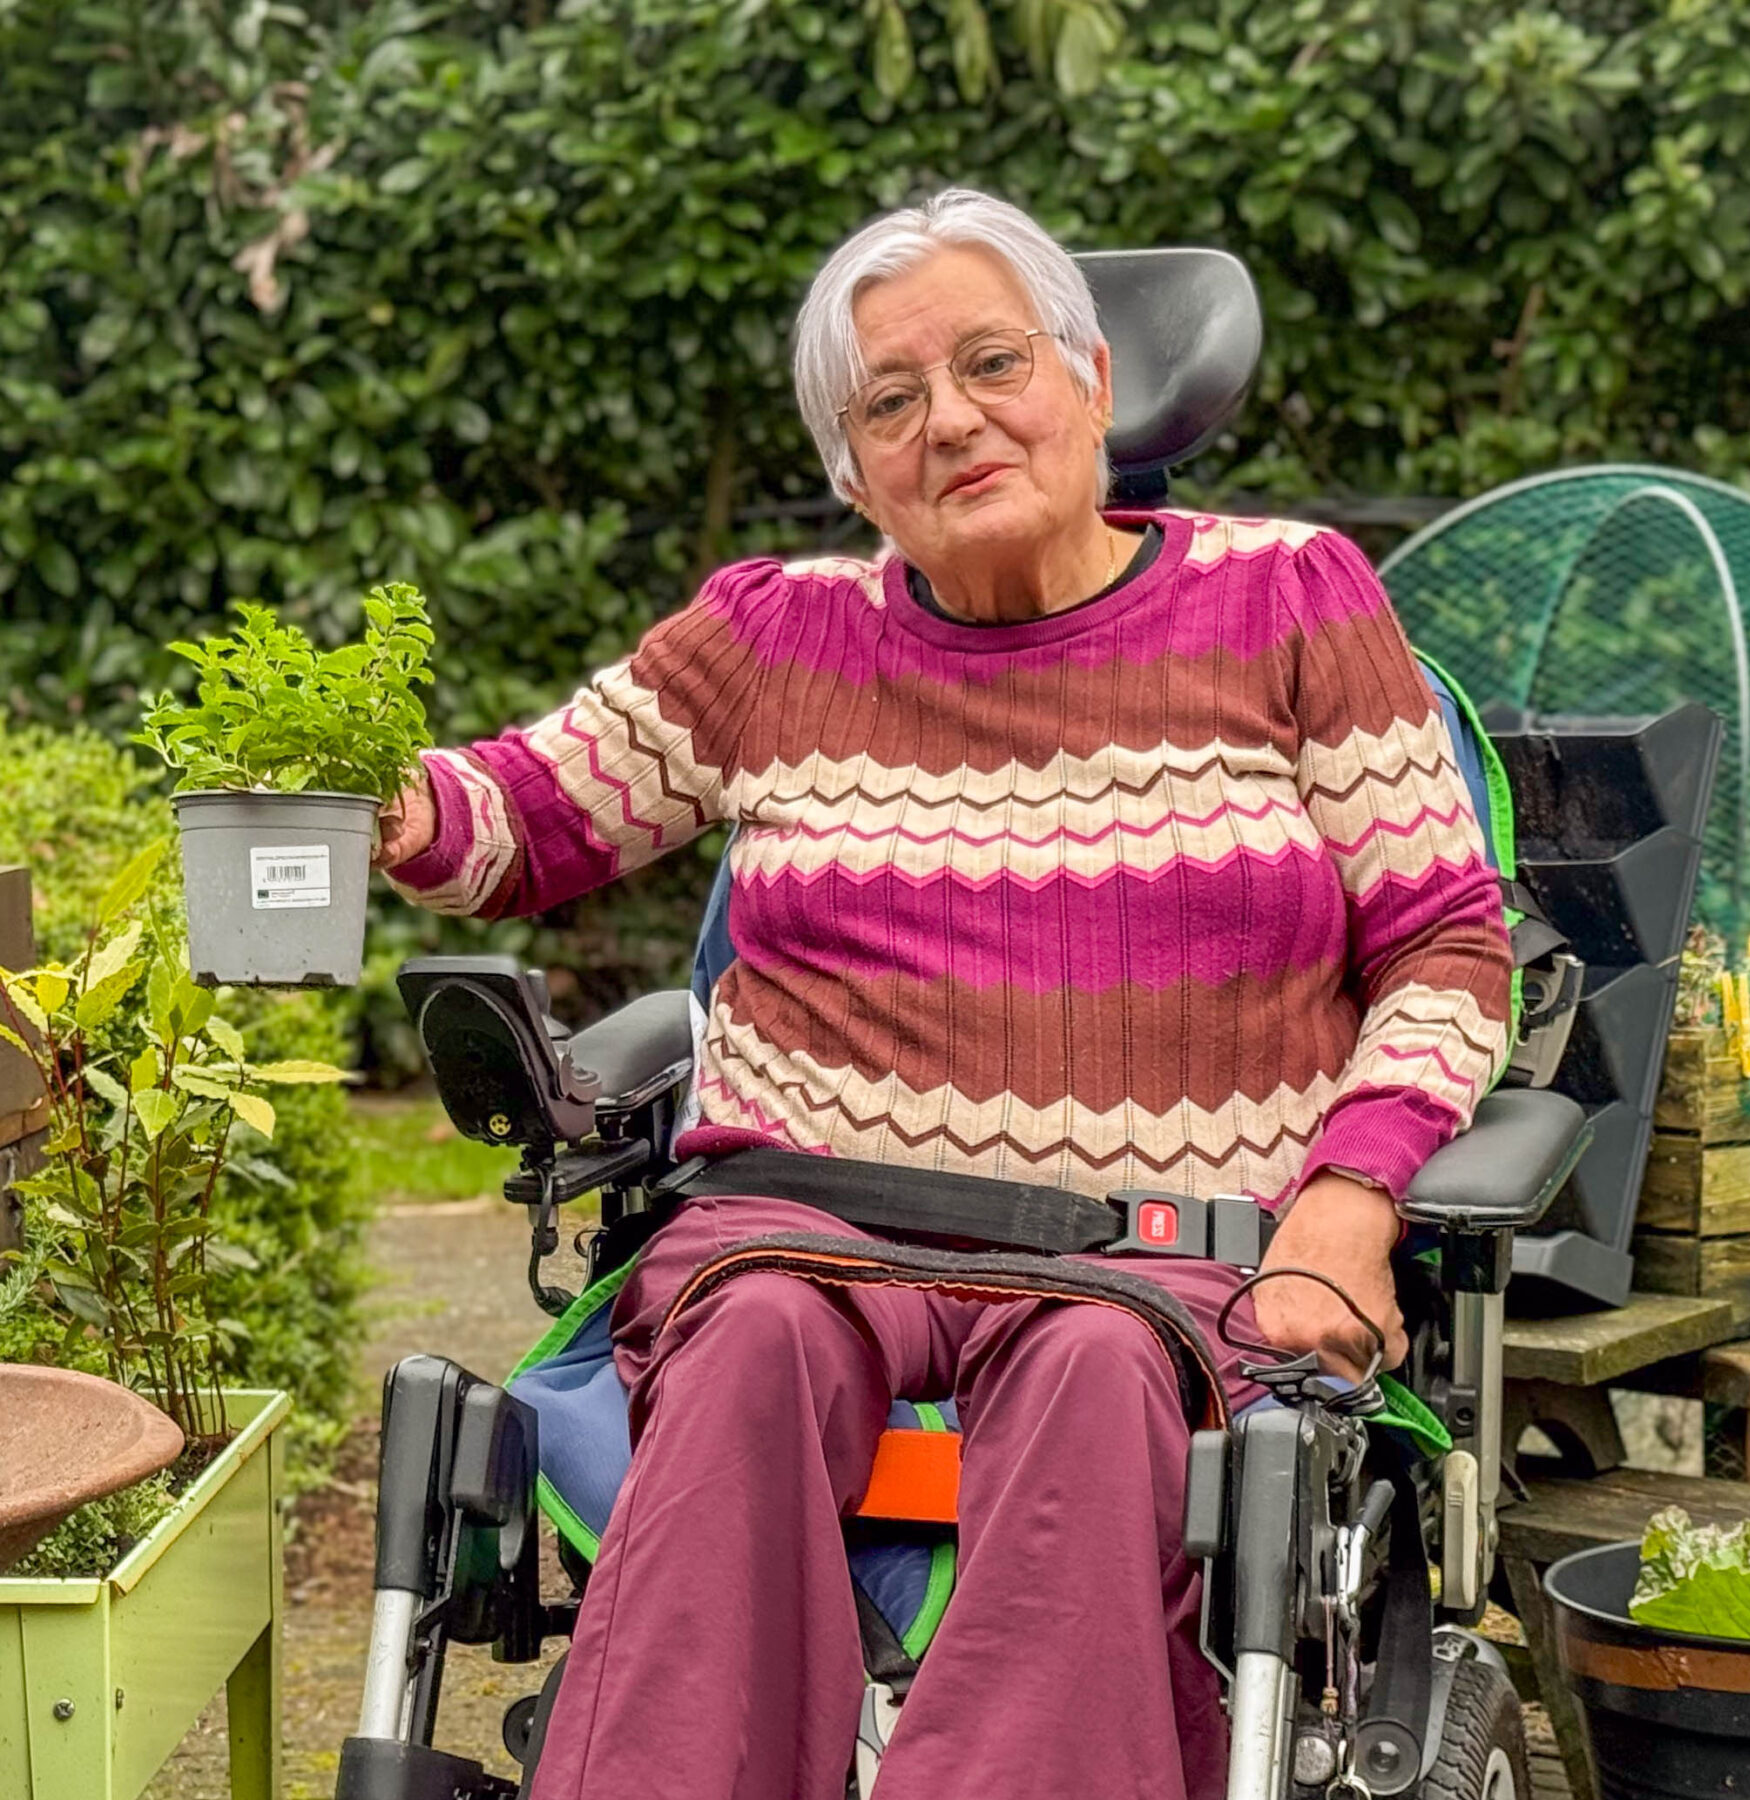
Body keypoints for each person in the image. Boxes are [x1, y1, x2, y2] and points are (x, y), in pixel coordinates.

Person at [376, 189, 1512, 1800]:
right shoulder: (775, 636)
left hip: (1154, 1249)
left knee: (1097, 1376)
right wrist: (370, 798)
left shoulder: (1290, 600)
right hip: (803, 1220)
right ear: (854, 475)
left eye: (993, 364)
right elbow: (518, 818)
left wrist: (1349, 1199)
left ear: (1093, 381)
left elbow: (1447, 945)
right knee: (749, 1341)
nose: (952, 422)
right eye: (890, 403)